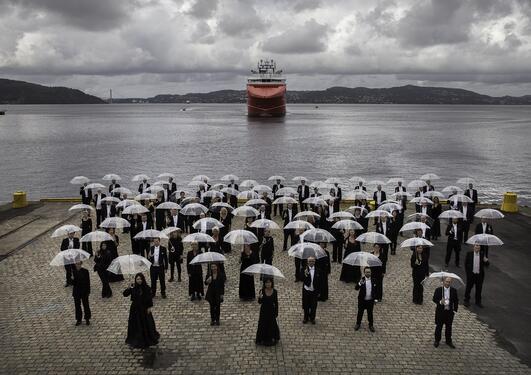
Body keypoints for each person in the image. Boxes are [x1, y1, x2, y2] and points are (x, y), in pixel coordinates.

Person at [123, 273, 160, 348]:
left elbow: (149, 298)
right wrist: (129, 288)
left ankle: (146, 337)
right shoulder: (133, 287)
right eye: (137, 279)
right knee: (136, 324)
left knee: (146, 323)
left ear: (143, 279)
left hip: (144, 308)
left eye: (140, 279)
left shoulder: (146, 287)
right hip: (135, 309)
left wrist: (149, 307)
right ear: (135, 280)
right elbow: (125, 294)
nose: (139, 281)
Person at [433, 277, 458, 348]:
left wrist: (455, 310)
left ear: (451, 282)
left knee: (449, 327)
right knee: (439, 326)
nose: (447, 283)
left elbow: (456, 301)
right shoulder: (438, 290)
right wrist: (440, 302)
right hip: (440, 312)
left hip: (449, 312)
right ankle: (437, 340)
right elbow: (434, 299)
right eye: (446, 281)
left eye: (449, 282)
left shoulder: (454, 290)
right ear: (443, 281)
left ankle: (448, 341)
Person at [256, 278, 280, 346]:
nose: (268, 284)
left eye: (269, 282)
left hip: (271, 310)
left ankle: (273, 337)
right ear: (264, 284)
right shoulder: (262, 291)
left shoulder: (275, 291)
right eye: (266, 283)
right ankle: (262, 338)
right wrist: (260, 297)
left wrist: (276, 312)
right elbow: (259, 302)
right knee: (262, 324)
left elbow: (276, 302)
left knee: (272, 324)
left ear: (272, 283)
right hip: (264, 311)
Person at [354, 267, 376, 332]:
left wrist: (375, 299)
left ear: (371, 272)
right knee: (360, 312)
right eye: (366, 272)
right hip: (362, 300)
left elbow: (375, 290)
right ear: (364, 273)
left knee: (370, 313)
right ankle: (358, 323)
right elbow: (356, 288)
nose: (368, 273)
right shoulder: (362, 279)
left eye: (369, 272)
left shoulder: (374, 280)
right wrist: (359, 283)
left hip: (370, 300)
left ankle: (371, 325)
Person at [302, 256, 321, 324]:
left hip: (314, 290)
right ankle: (306, 317)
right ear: (307, 262)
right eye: (310, 261)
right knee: (306, 305)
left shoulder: (318, 270)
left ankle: (312, 318)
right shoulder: (304, 269)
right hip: (306, 290)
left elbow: (320, 282)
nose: (311, 262)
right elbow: (302, 278)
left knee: (313, 305)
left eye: (312, 261)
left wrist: (319, 291)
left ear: (314, 262)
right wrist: (305, 274)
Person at [72, 261, 91, 326]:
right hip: (76, 291)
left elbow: (88, 282)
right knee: (77, 306)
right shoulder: (73, 272)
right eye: (77, 264)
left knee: (86, 305)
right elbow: (73, 283)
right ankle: (78, 319)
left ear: (81, 264)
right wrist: (71, 278)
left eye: (79, 264)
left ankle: (87, 318)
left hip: (84, 291)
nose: (78, 265)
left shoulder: (85, 271)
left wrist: (88, 291)